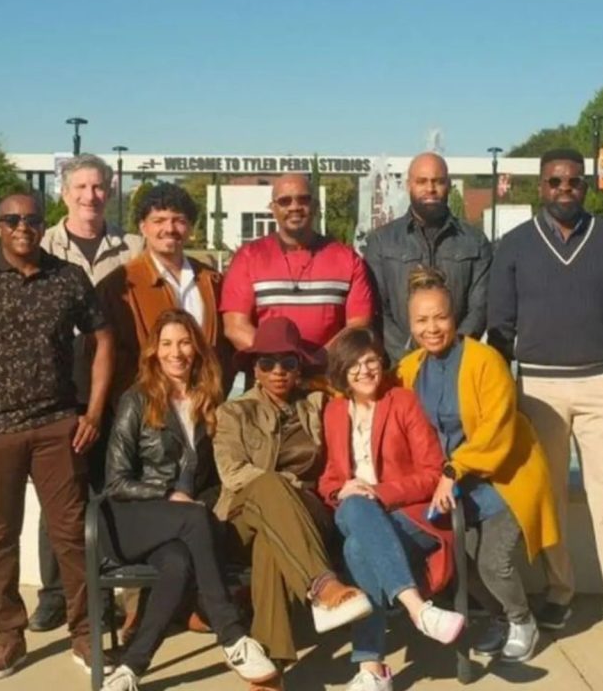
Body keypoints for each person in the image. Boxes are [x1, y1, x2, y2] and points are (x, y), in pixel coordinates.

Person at [0, 193, 114, 678]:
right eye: (12, 219)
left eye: (31, 219)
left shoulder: (67, 278)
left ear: (41, 225)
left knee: (72, 536)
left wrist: (91, 411)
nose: (22, 227)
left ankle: (84, 632)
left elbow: (103, 340)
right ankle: (9, 636)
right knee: (0, 536)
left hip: (57, 427)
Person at [487, 148, 603, 647]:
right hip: (538, 388)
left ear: (585, 187)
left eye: (573, 182)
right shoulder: (514, 246)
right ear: (540, 187)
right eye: (555, 182)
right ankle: (560, 592)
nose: (565, 189)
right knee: (550, 498)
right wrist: (503, 393)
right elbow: (500, 327)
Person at [99, 309, 277, 691]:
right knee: (195, 519)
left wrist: (210, 503)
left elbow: (212, 479)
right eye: (166, 344)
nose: (175, 352)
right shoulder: (136, 400)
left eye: (183, 342)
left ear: (196, 349)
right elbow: (115, 482)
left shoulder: (209, 402)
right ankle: (231, 636)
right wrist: (168, 494)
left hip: (180, 531)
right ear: (154, 351)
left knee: (178, 564)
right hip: (131, 520)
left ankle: (130, 669)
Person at [398, 267, 560, 664]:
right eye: (422, 320)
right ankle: (499, 619)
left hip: (504, 479)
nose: (432, 327)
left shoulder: (486, 361)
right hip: (453, 487)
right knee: (459, 558)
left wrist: (454, 470)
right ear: (410, 323)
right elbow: (388, 410)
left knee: (492, 560)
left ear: (455, 317)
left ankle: (523, 620)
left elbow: (497, 432)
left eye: (440, 317)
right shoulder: (408, 368)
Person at [213, 317, 373, 687]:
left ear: (299, 366)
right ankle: (323, 586)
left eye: (288, 362)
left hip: (305, 513)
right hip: (243, 512)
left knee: (274, 538)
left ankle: (270, 670)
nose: (278, 372)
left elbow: (357, 395)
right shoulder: (234, 412)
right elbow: (233, 473)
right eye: (267, 363)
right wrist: (284, 483)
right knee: (270, 489)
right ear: (255, 368)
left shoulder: (316, 403)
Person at [32, 153, 143, 633]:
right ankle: (55, 594)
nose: (89, 196)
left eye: (98, 187)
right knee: (61, 493)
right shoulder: (40, 245)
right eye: (80, 187)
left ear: (110, 191)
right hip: (59, 390)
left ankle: (109, 590)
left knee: (112, 488)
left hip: (121, 388)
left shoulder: (134, 247)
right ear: (64, 192)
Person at [319, 328, 465, 691]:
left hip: (407, 516)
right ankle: (419, 610)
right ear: (341, 371)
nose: (365, 370)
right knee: (354, 506)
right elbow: (329, 479)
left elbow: (433, 472)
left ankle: (371, 668)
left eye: (371, 361)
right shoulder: (335, 412)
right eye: (354, 364)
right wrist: (343, 488)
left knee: (356, 549)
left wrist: (379, 493)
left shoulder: (402, 401)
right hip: (353, 512)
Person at [98, 182, 235, 401]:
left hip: (206, 410)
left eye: (179, 220)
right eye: (158, 221)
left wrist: (216, 394)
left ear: (190, 227)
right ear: (143, 227)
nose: (169, 229)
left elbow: (226, 352)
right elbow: (103, 356)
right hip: (148, 414)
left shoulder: (213, 282)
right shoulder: (118, 286)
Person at [220, 172, 374, 356]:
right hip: (271, 375)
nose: (295, 207)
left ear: (316, 206)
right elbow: (235, 327)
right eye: (285, 201)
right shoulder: (248, 257)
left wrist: (317, 361)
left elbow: (358, 326)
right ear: (273, 208)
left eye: (303, 199)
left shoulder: (348, 259)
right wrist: (282, 363)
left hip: (329, 375)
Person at [364, 151, 492, 363]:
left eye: (438, 181)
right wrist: (409, 356)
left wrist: (452, 351)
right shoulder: (381, 241)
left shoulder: (475, 241)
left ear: (449, 185)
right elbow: (377, 309)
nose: (430, 189)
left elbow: (480, 308)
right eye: (421, 181)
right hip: (399, 364)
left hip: (458, 363)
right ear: (408, 185)